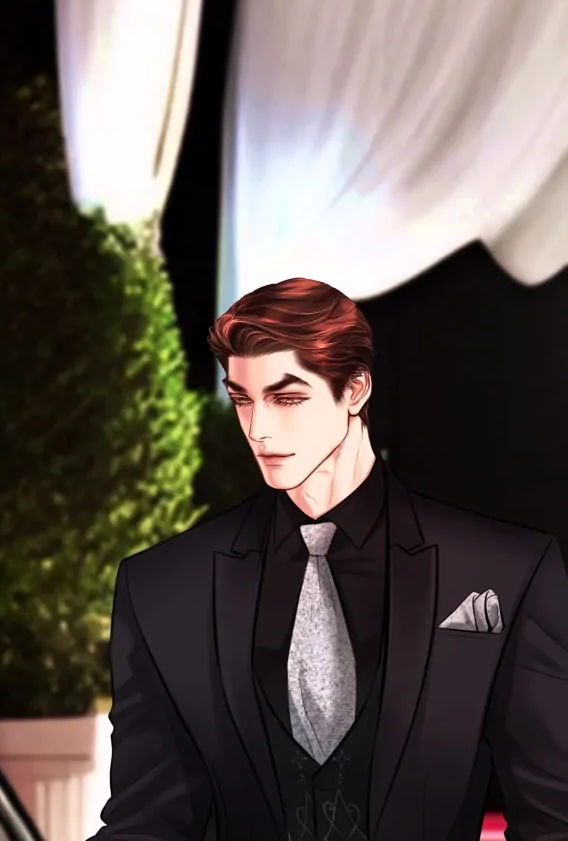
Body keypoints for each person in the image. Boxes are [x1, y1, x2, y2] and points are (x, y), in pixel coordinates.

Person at [95, 277, 568, 841]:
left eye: (287, 398)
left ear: (356, 390)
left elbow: (554, 817)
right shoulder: (164, 587)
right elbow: (147, 821)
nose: (258, 429)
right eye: (242, 399)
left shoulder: (504, 571)